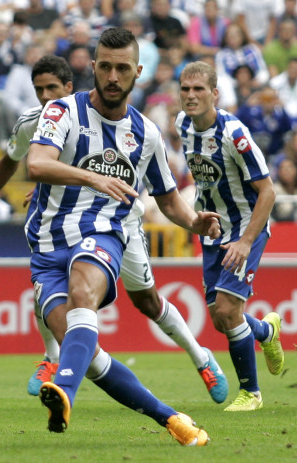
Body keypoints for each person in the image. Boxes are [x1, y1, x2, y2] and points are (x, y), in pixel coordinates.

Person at [0, 52, 229, 404]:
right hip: (61, 224)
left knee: (147, 301)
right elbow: (17, 164)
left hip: (118, 223)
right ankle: (54, 359)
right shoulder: (33, 122)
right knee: (52, 289)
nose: (44, 97)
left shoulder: (134, 128)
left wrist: (194, 222)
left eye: (51, 88)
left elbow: (158, 193)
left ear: (69, 86)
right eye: (38, 90)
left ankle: (201, 356)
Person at [176, 60, 285, 411]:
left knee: (227, 308)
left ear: (215, 94)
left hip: (245, 227)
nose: (191, 96)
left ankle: (251, 393)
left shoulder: (234, 134)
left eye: (199, 89)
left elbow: (267, 192)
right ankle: (266, 333)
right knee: (222, 318)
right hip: (212, 229)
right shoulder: (182, 125)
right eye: (185, 89)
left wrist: (246, 241)